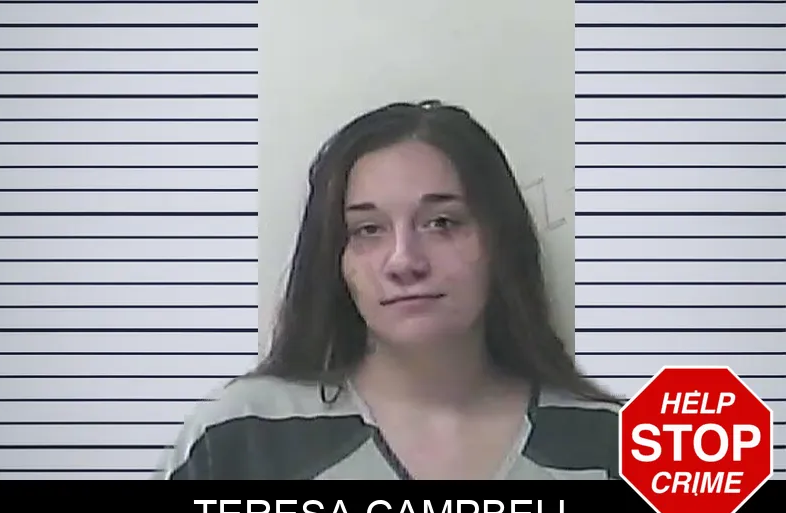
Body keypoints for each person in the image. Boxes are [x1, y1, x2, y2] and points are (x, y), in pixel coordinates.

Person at [154, 100, 621, 480]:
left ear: (500, 240)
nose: (403, 261)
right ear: (335, 259)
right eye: (368, 229)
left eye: (442, 223)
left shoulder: (618, 444)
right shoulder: (239, 438)